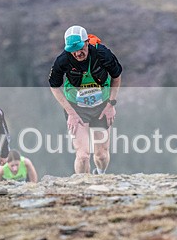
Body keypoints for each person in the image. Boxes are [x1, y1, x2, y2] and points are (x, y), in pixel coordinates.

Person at [48, 25, 122, 175]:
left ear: (87, 42)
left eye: (80, 48)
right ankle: (82, 188)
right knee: (82, 156)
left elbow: (116, 76)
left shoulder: (102, 53)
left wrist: (111, 104)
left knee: (101, 154)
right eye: (73, 49)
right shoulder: (63, 60)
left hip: (102, 105)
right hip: (77, 108)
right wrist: (71, 113)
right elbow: (54, 86)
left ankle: (100, 175)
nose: (77, 53)